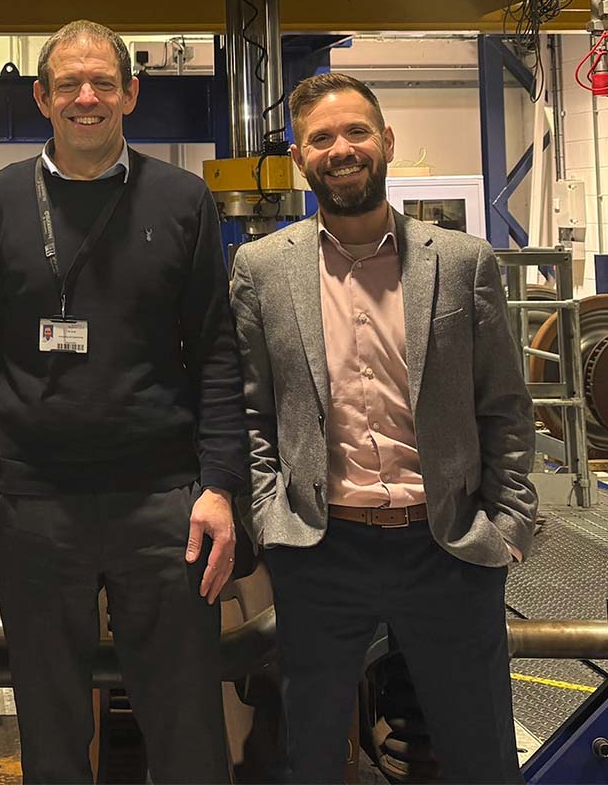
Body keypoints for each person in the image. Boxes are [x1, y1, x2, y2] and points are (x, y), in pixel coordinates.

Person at [0, 20, 245, 783]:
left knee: (185, 729)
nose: (87, 98)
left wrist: (218, 486)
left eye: (103, 84)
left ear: (131, 94)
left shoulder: (183, 199)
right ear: (42, 98)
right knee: (50, 735)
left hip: (163, 504)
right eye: (70, 85)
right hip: (35, 504)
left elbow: (217, 352)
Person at [230, 71, 537, 784]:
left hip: (450, 545)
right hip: (322, 548)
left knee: (482, 752)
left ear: (387, 141)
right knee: (310, 753)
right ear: (302, 158)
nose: (342, 149)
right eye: (322, 138)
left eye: (356, 132)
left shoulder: (462, 262)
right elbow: (248, 412)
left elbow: (504, 405)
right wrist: (269, 517)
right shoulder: (262, 270)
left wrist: (509, 523)